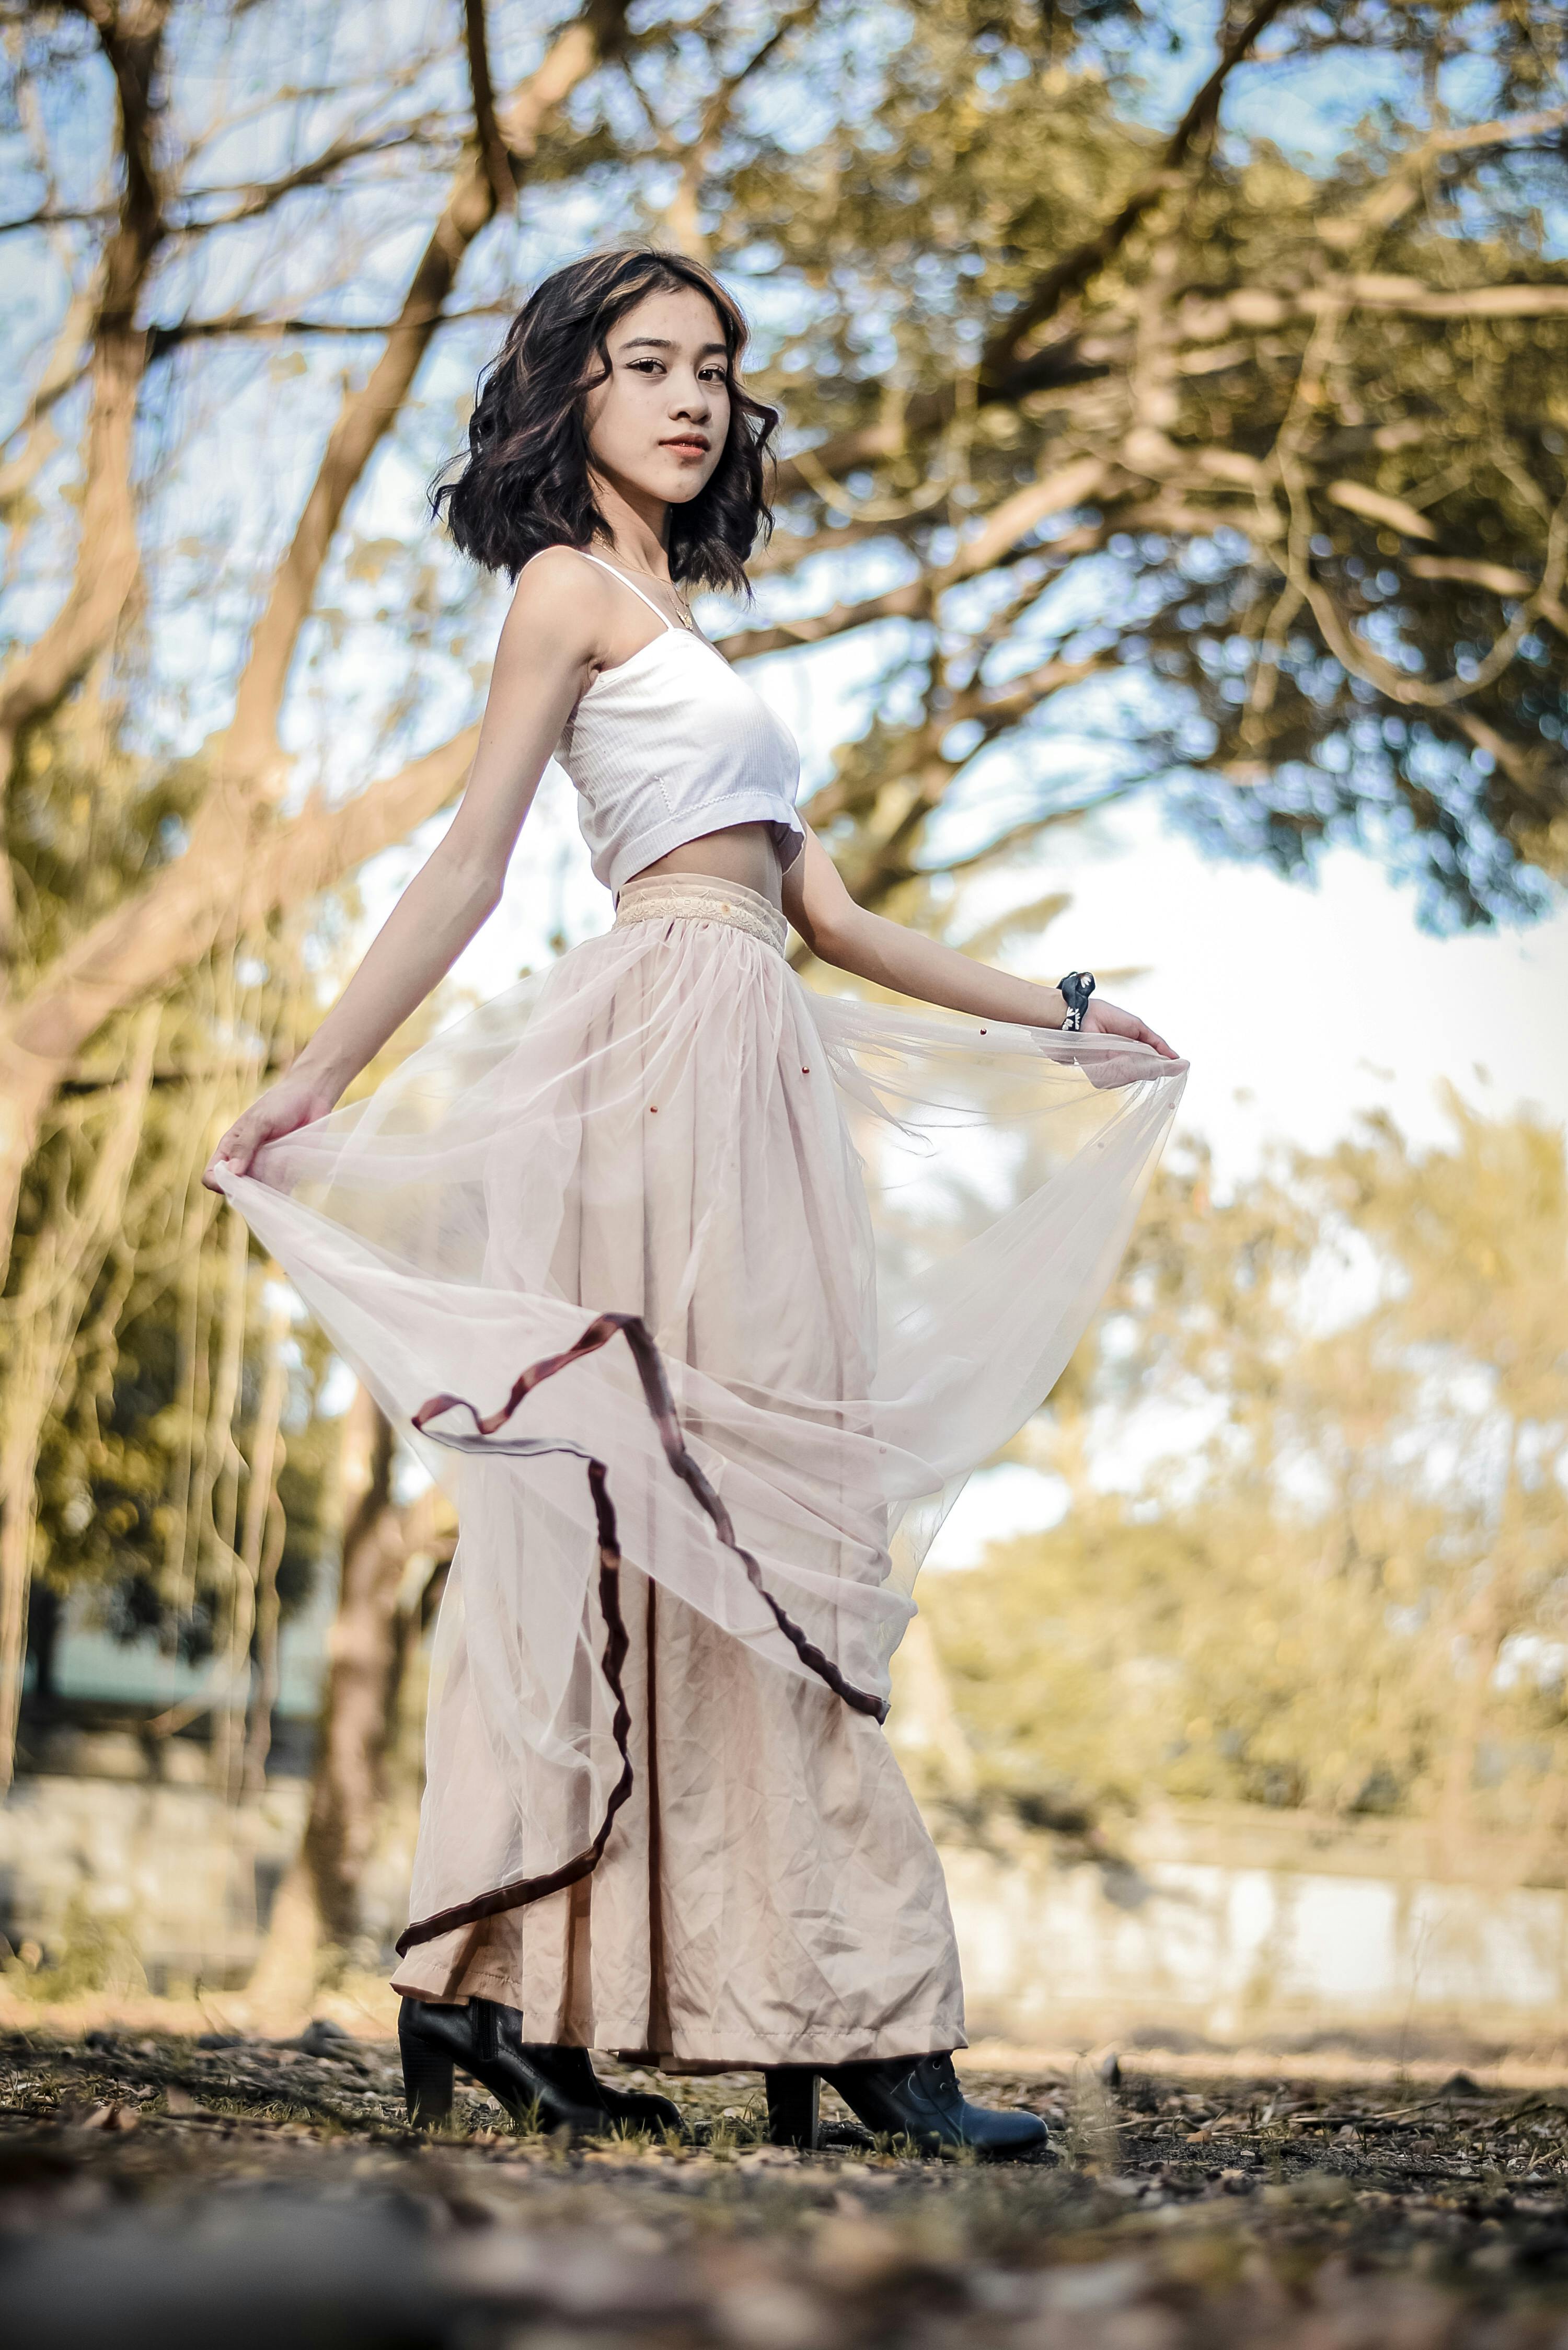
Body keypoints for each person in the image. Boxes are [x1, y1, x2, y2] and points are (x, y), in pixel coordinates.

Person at [206, 247, 1186, 2157]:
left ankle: (719, 2003)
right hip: (658, 1062)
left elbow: (823, 911)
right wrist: (318, 1078)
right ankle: (563, 1995)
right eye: (646, 362)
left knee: (771, 1512)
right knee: (657, 1520)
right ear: (570, 391)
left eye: (715, 369)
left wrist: (1061, 1010)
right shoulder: (565, 593)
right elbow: (473, 864)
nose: (691, 396)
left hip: (759, 1059)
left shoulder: (687, 618)